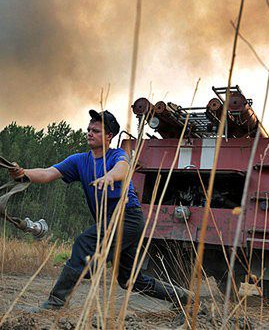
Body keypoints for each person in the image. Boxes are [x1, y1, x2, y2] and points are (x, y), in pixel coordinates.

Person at [10, 110, 190, 309]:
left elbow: (123, 168)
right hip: (114, 222)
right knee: (130, 280)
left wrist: (111, 176)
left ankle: (55, 302)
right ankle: (185, 298)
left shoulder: (117, 155)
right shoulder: (79, 160)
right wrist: (23, 173)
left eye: (95, 130)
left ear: (108, 136)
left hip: (127, 218)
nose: (89, 133)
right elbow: (47, 173)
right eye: (88, 129)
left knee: (84, 243)